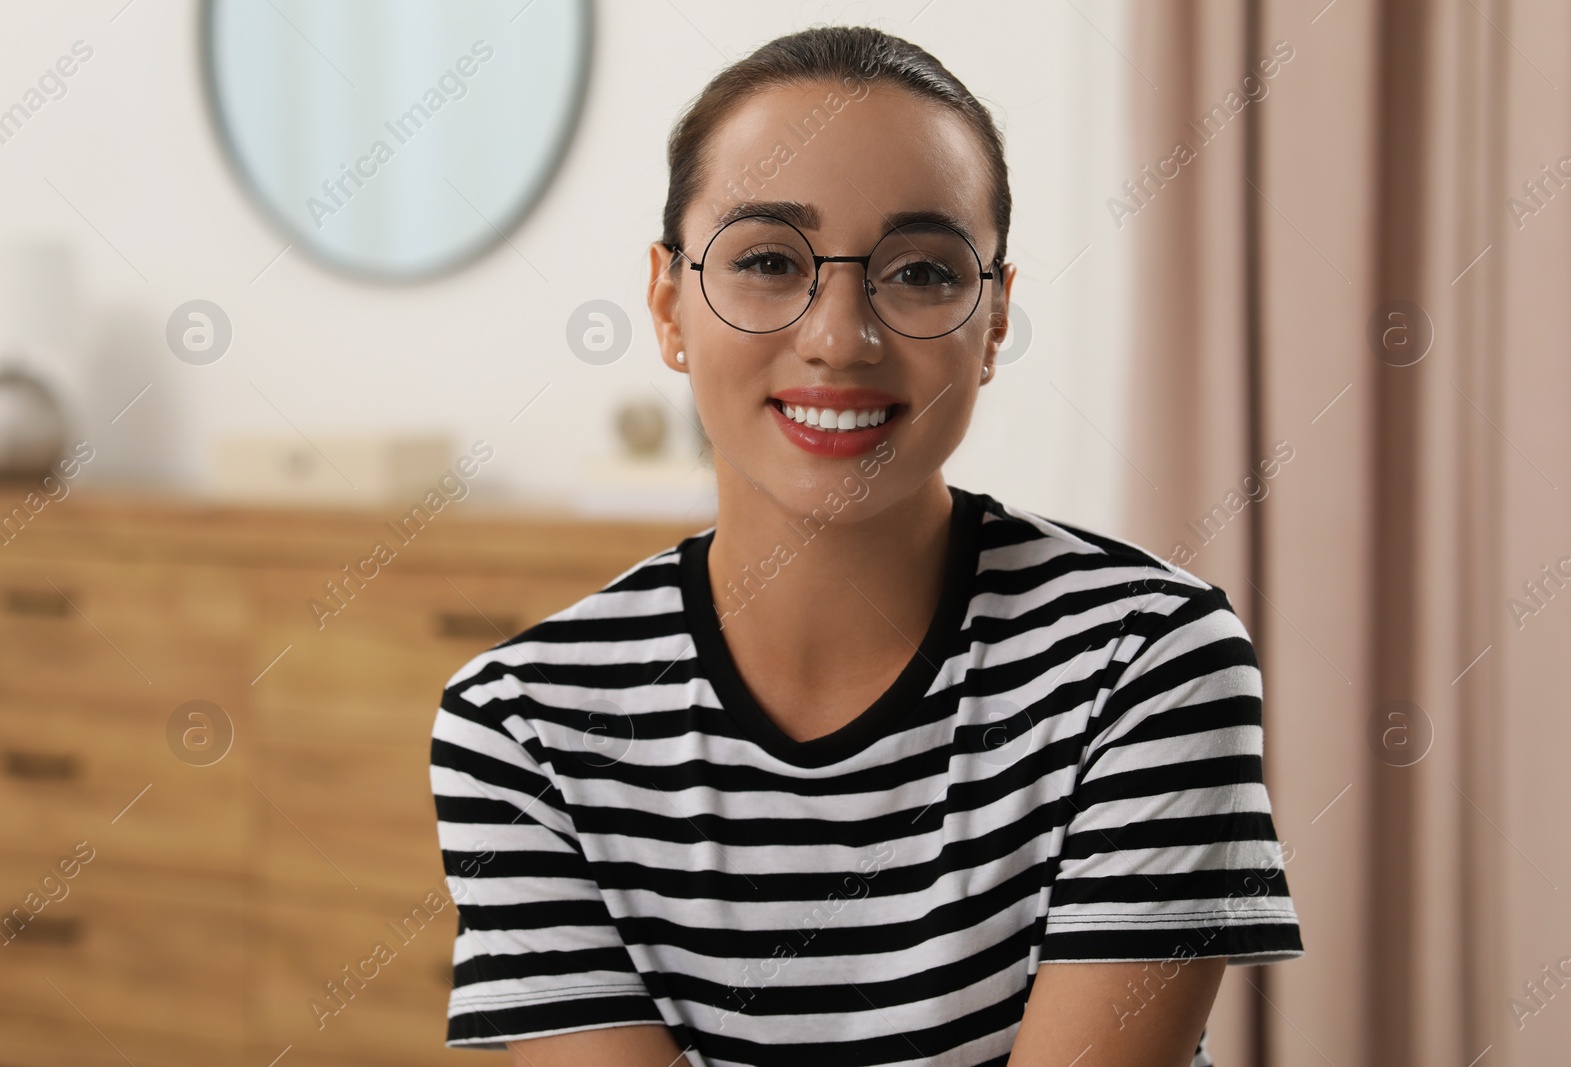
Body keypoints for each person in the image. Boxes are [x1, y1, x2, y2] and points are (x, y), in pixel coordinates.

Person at [430, 24, 1303, 1067]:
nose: (841, 337)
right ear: (668, 304)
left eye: (922, 271)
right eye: (765, 260)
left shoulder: (1149, 660)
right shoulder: (521, 729)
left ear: (992, 321)